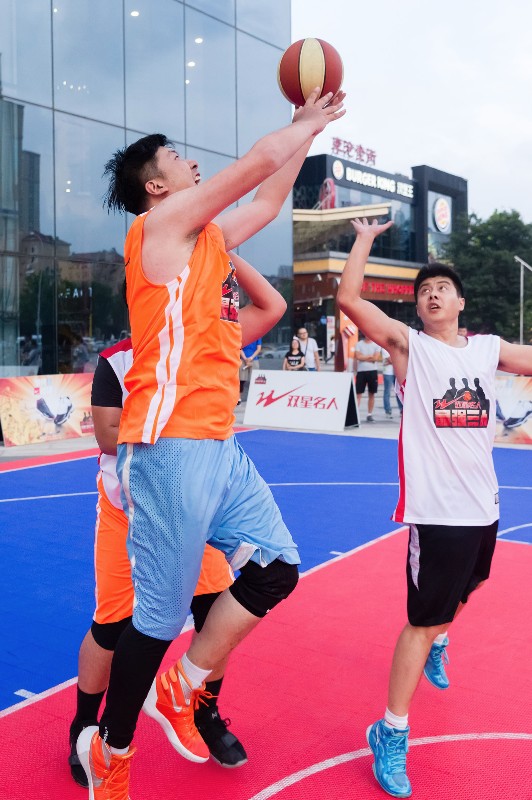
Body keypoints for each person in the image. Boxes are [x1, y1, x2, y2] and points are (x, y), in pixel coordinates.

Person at [77, 88, 345, 799]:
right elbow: (255, 165)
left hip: (218, 442)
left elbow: (267, 198)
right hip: (169, 445)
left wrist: (304, 134)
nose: (190, 161)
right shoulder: (158, 228)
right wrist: (301, 123)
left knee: (278, 566)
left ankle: (184, 686)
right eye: (175, 156)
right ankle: (111, 749)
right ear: (155, 187)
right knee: (156, 619)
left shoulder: (207, 241)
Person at [337, 216, 532, 799]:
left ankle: (442, 637)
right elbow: (349, 300)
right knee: (421, 624)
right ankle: (390, 730)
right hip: (437, 510)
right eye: (424, 290)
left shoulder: (488, 349)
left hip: (484, 505)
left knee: (471, 586)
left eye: (442, 287)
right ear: (418, 307)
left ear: (460, 302)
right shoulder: (409, 347)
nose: (432, 294)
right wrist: (364, 240)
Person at [68, 336, 248, 787]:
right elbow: (107, 435)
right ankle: (84, 725)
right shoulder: (117, 359)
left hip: (196, 508)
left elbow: (272, 308)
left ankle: (204, 712)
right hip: (128, 510)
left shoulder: (206, 342)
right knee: (112, 625)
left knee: (215, 617)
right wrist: (181, 437)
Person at [354, 332, 381, 422]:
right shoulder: (359, 344)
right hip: (361, 371)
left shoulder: (376, 345)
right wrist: (370, 357)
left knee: (371, 393)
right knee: (358, 393)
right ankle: (355, 413)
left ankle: (369, 414)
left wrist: (363, 357)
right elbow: (358, 357)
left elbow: (376, 358)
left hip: (372, 371)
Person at [381, 348, 402, 418]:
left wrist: (395, 360)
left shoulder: (396, 347)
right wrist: (398, 360)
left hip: (397, 371)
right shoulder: (384, 348)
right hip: (388, 372)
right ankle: (388, 410)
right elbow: (391, 359)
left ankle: (402, 410)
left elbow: (402, 358)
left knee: (399, 391)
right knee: (387, 392)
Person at [239, 337, 262, 402]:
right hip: (243, 359)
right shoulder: (243, 335)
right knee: (241, 380)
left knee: (255, 380)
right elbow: (239, 348)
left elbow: (259, 348)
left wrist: (251, 358)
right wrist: (245, 359)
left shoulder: (258, 335)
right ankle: (239, 398)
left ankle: (255, 397)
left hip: (254, 360)